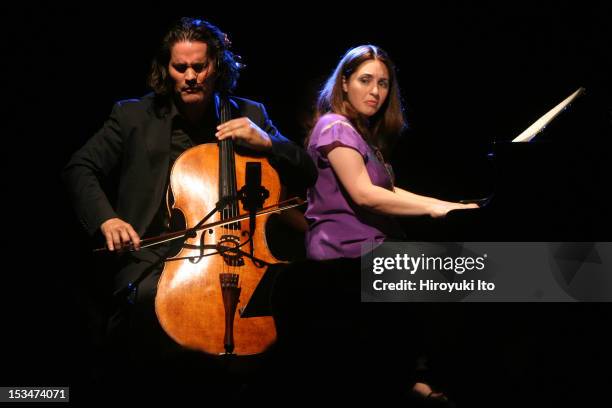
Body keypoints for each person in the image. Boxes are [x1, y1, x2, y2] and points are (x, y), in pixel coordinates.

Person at [62, 17, 316, 402]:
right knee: (147, 307)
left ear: (218, 66)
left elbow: (307, 169)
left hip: (240, 254)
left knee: (296, 306)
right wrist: (107, 218)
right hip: (151, 254)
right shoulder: (132, 116)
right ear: (167, 69)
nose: (191, 76)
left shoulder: (251, 114)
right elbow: (80, 167)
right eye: (180, 68)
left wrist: (268, 142)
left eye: (200, 67)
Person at [271, 45, 475, 404]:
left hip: (372, 247)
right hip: (347, 254)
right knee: (475, 270)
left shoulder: (360, 134)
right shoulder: (333, 125)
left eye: (383, 83)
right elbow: (365, 195)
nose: (375, 92)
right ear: (344, 82)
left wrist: (448, 205)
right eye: (365, 80)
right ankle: (424, 379)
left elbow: (389, 189)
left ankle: (418, 376)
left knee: (473, 270)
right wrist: (434, 211)